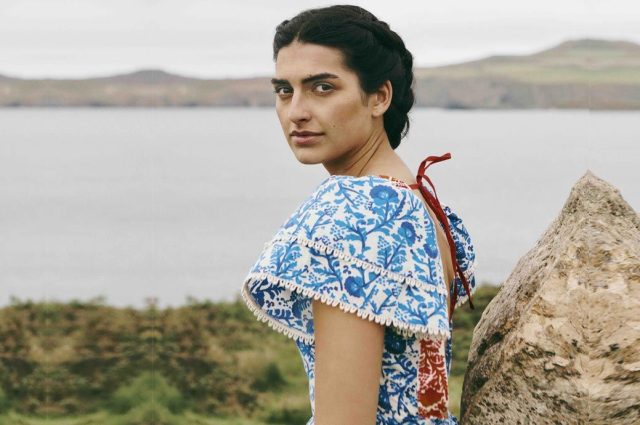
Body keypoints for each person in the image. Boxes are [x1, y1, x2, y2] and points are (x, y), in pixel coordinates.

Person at [240, 5, 476, 424]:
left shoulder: (353, 211)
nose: (296, 111)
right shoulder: (420, 201)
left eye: (322, 88)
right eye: (285, 90)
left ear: (379, 97)